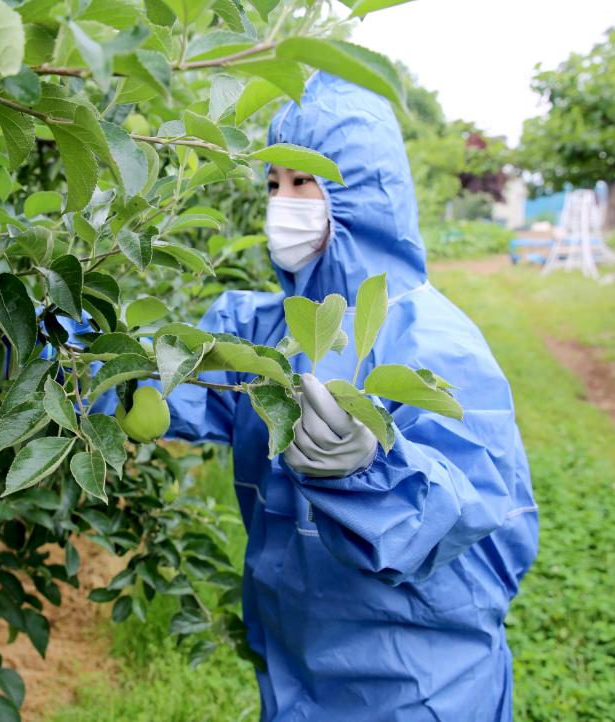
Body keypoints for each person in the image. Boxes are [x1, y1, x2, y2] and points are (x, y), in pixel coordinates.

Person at [67, 72, 539, 721]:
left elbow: (473, 513)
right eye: (273, 184)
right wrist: (55, 343)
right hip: (298, 674)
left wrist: (372, 470)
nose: (283, 203)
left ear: (362, 191)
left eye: (303, 183)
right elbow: (152, 386)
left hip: (420, 683)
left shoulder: (434, 343)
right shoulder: (261, 330)